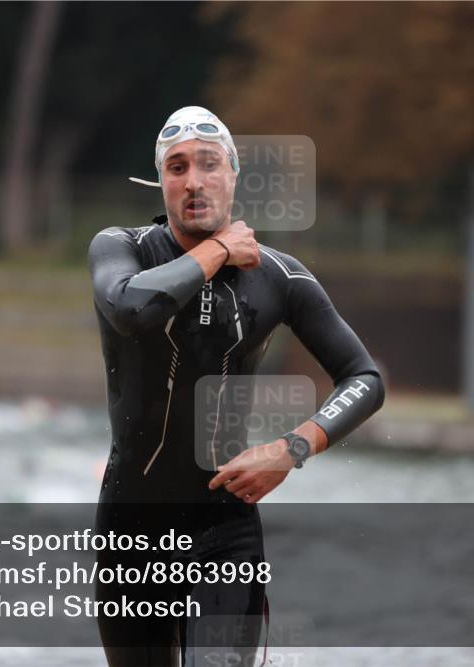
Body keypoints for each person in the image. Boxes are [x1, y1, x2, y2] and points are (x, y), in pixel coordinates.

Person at [88, 106, 385, 666]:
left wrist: (291, 448)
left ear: (234, 173)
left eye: (208, 164)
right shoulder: (120, 249)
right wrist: (219, 250)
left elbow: (364, 378)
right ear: (161, 181)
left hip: (222, 530)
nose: (194, 181)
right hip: (130, 530)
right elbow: (131, 309)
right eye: (176, 168)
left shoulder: (280, 278)